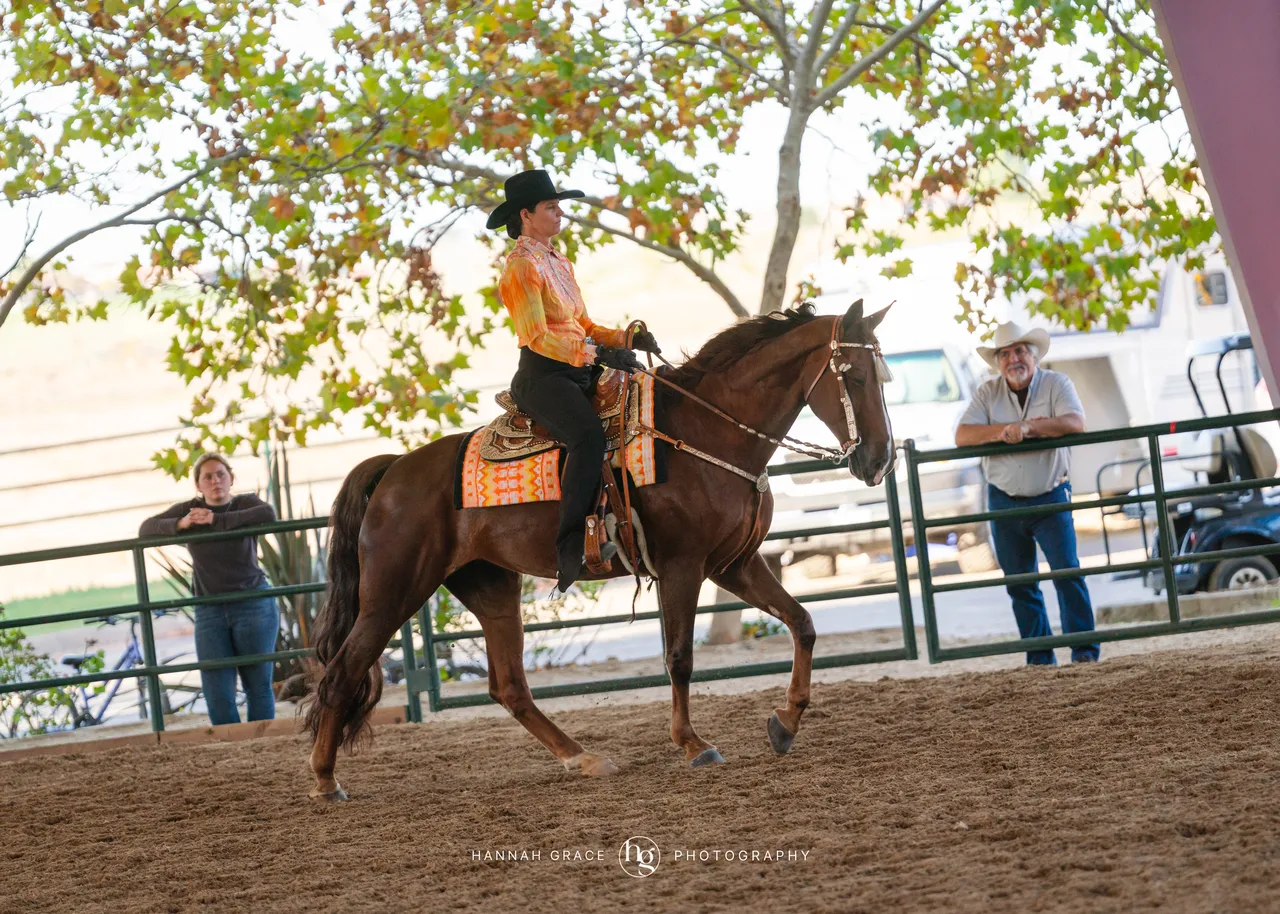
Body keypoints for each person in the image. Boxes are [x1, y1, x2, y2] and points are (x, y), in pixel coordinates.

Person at [486, 168, 660, 592]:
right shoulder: (519, 269)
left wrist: (625, 337)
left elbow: (579, 323)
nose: (560, 213)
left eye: (558, 205)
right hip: (543, 376)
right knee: (588, 438)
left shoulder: (558, 262)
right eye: (551, 207)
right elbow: (539, 337)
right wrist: (598, 353)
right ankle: (569, 545)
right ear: (526, 215)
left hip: (577, 368)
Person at [955, 321, 1101, 665]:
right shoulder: (987, 392)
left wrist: (1028, 428)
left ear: (1032, 356)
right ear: (998, 362)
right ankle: (1039, 657)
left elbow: (1074, 422)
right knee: (1020, 582)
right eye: (1005, 354)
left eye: (1020, 351)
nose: (1013, 359)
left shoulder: (1056, 383)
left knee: (1066, 572)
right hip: (1004, 498)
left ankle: (1084, 651)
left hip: (1050, 493)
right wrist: (1003, 432)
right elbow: (962, 435)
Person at [139, 453, 280, 724]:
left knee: (258, 684)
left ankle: (262, 746)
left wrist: (215, 521)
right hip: (209, 610)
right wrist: (181, 524)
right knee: (217, 691)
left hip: (253, 604)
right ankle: (231, 748)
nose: (215, 481)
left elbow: (268, 513)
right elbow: (145, 529)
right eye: (207, 477)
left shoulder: (245, 503)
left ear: (231, 479)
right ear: (198, 485)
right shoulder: (189, 509)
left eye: (220, 474)